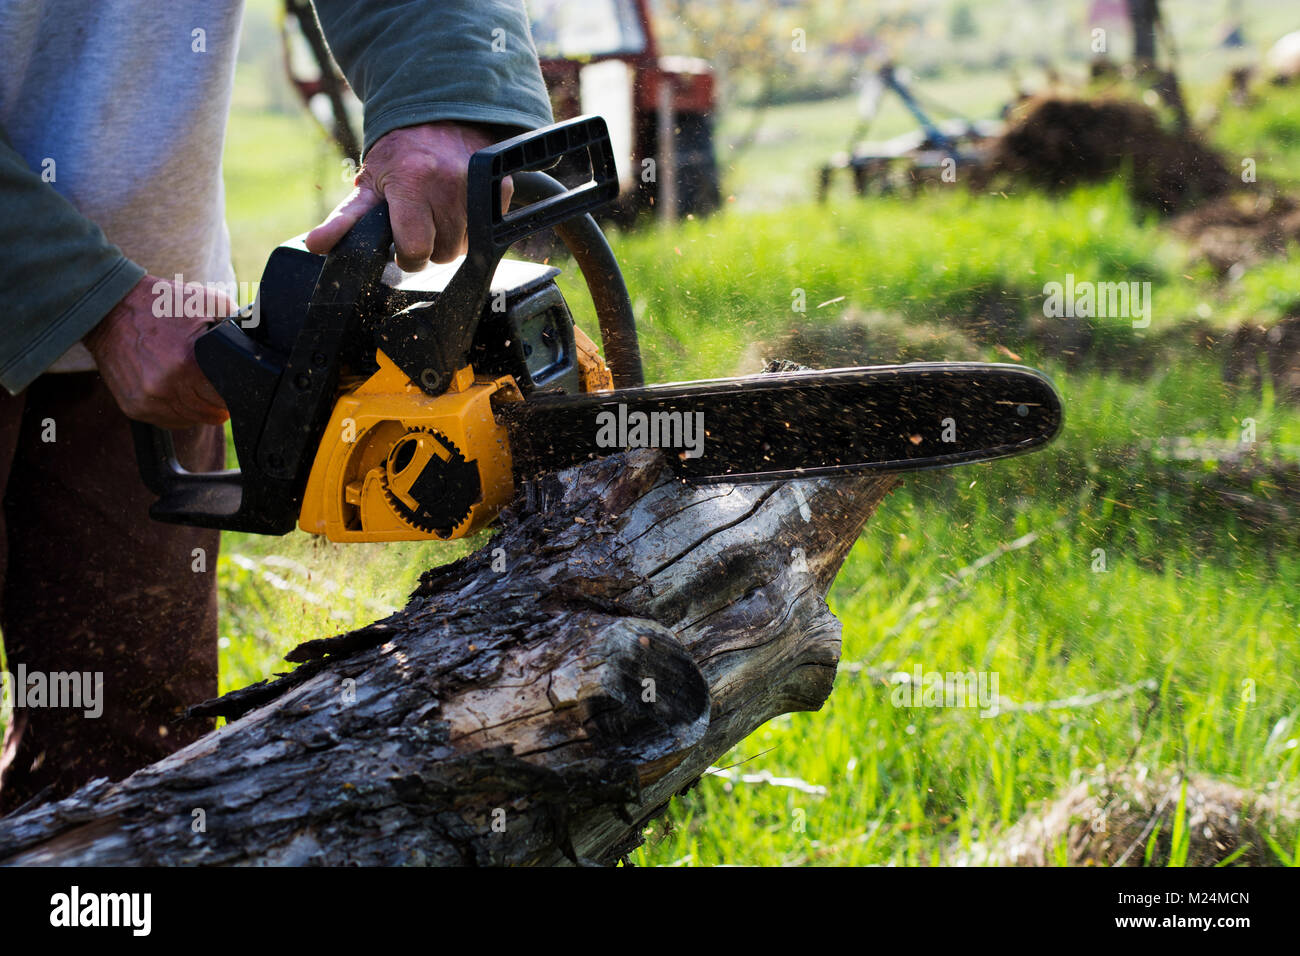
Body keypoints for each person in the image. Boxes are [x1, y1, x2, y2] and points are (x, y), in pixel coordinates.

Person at [0, 0, 553, 813]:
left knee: (126, 753)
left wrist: (447, 89)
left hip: (158, 320)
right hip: (116, 306)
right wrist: (88, 300)